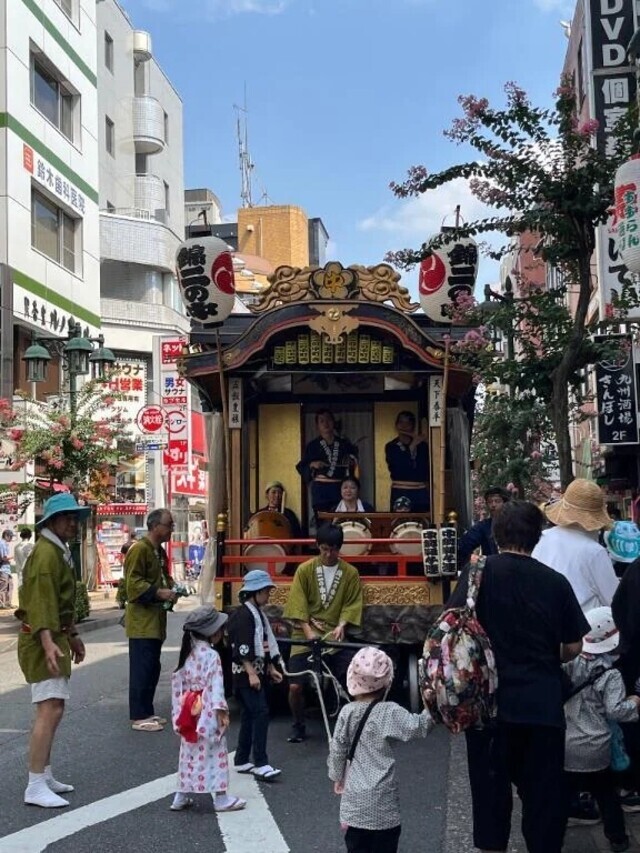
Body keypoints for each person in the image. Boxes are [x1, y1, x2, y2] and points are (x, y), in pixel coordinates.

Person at [447, 500, 589, 853]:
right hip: (542, 707)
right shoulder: (554, 582)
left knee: (491, 803)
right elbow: (573, 645)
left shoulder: (475, 574)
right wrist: (543, 652)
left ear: (495, 535)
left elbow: (452, 631)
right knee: (543, 804)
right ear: (537, 538)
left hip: (487, 707)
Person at [16, 493, 90, 808]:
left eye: (75, 517)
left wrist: (70, 634)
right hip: (40, 639)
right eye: (68, 518)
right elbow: (41, 601)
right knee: (49, 709)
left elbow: (56, 603)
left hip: (51, 636)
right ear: (52, 521)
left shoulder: (55, 551)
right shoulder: (47, 554)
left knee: (54, 706)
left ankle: (43, 775)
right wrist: (48, 641)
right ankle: (34, 784)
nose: (73, 523)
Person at [328, 647, 435, 853]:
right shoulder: (389, 712)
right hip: (383, 804)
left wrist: (337, 776)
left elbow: (338, 749)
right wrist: (434, 704)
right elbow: (419, 727)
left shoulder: (346, 713)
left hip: (355, 805)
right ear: (387, 682)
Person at [563, 606, 640, 853]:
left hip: (567, 741)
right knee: (607, 794)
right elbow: (617, 711)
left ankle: (553, 832)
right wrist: (636, 700)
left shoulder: (569, 663)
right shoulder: (611, 674)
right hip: (597, 745)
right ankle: (617, 838)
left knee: (563, 792)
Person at [283, 523, 364, 743]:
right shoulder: (305, 570)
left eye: (334, 549)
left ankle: (352, 725)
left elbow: (352, 603)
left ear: (340, 548)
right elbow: (297, 604)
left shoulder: (350, 573)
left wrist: (342, 624)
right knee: (295, 685)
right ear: (318, 546)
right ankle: (298, 725)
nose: (329, 554)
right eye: (324, 549)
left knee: (354, 677)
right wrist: (308, 631)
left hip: (334, 636)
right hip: (304, 634)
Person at [170, 605, 246, 813]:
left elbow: (178, 682)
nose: (223, 632)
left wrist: (179, 712)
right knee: (215, 753)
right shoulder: (212, 656)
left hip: (188, 709)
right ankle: (220, 798)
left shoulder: (188, 652)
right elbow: (215, 687)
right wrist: (221, 712)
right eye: (220, 628)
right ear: (212, 632)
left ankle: (180, 795)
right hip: (207, 710)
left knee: (189, 753)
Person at [125, 507, 178, 732]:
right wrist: (158, 592)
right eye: (169, 525)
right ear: (155, 526)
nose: (171, 529)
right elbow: (132, 584)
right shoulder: (140, 550)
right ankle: (139, 715)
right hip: (142, 622)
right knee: (142, 668)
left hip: (155, 620)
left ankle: (147, 710)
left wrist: (172, 587)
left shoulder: (159, 552)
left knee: (152, 667)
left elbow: (163, 578)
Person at [227, 569, 283, 780]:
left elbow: (265, 644)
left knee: (250, 715)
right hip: (245, 674)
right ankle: (261, 762)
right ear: (256, 592)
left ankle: (241, 759)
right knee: (260, 713)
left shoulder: (256, 614)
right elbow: (241, 649)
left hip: (255, 671)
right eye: (266, 591)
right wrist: (251, 673)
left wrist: (270, 668)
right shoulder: (243, 616)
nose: (268, 595)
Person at [532, 478, 618, 613]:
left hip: (542, 621)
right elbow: (615, 601)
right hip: (582, 627)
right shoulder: (594, 551)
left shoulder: (542, 538)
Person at [296, 410, 359, 518]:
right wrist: (312, 464)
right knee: (322, 522)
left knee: (340, 521)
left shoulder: (343, 444)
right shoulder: (312, 446)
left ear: (333, 423)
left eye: (328, 420)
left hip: (339, 488)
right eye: (322, 421)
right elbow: (302, 466)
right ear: (317, 426)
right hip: (321, 490)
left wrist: (351, 460)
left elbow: (354, 459)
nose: (326, 423)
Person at [384, 411, 429, 513]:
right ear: (396, 425)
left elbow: (424, 470)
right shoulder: (391, 446)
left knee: (421, 522)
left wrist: (422, 443)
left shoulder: (422, 446)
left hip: (420, 492)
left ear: (413, 426)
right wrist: (412, 446)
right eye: (401, 423)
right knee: (400, 524)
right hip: (400, 490)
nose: (404, 426)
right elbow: (399, 467)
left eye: (408, 423)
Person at [457, 486, 511, 568]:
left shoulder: (515, 524)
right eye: (490, 502)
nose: (493, 505)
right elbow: (464, 545)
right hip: (493, 570)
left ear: (505, 503)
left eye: (497, 501)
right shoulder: (483, 526)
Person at [0, 528, 13, 608]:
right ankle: (2, 604)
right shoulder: (1, 543)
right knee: (3, 586)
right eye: (10, 536)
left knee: (10, 585)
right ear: (6, 536)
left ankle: (8, 603)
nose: (11, 538)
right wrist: (13, 556)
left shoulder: (5, 544)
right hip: (3, 568)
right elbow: (3, 557)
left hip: (7, 568)